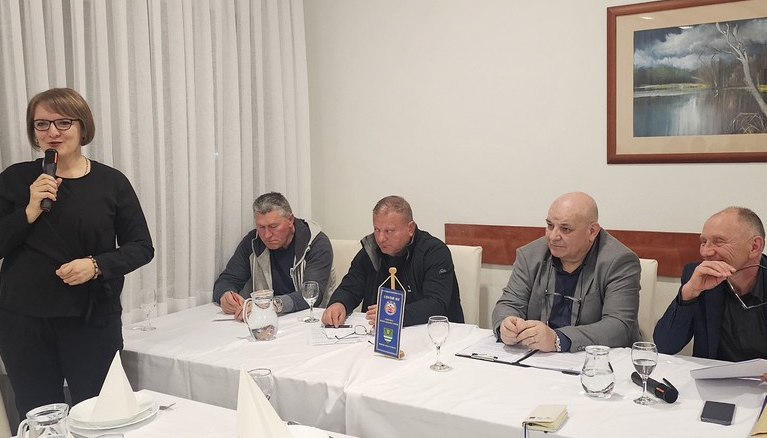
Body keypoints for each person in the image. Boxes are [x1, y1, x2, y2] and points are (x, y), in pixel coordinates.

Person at [0, 88, 154, 417]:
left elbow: (141, 247)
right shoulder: (15, 179)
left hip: (91, 320)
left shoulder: (112, 182)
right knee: (40, 416)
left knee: (102, 412)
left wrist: (96, 265)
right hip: (24, 323)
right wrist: (28, 211)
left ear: (83, 127)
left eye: (63, 122)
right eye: (42, 124)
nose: (52, 132)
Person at [492, 192, 641, 353]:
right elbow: (508, 304)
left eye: (565, 229)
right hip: (536, 356)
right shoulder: (530, 255)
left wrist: (557, 339)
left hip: (595, 359)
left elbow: (619, 326)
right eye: (550, 226)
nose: (553, 237)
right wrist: (506, 325)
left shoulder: (619, 262)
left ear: (592, 231)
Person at [322, 195, 464, 328]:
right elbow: (350, 288)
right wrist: (339, 303)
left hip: (431, 334)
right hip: (376, 334)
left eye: (389, 231)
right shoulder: (371, 250)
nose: (381, 238)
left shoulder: (434, 252)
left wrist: (393, 314)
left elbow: (436, 304)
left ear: (410, 228)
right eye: (377, 230)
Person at [654, 207, 767, 363]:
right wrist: (689, 293)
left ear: (754, 247)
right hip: (713, 376)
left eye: (718, 242)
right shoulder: (697, 275)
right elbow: (664, 346)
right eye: (703, 242)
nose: (706, 252)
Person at [213, 192, 333, 319]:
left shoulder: (316, 243)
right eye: (261, 227)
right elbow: (228, 279)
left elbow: (312, 294)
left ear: (290, 220)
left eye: (273, 226)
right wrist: (225, 295)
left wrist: (271, 305)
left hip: (309, 319)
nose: (267, 235)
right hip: (268, 319)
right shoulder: (253, 242)